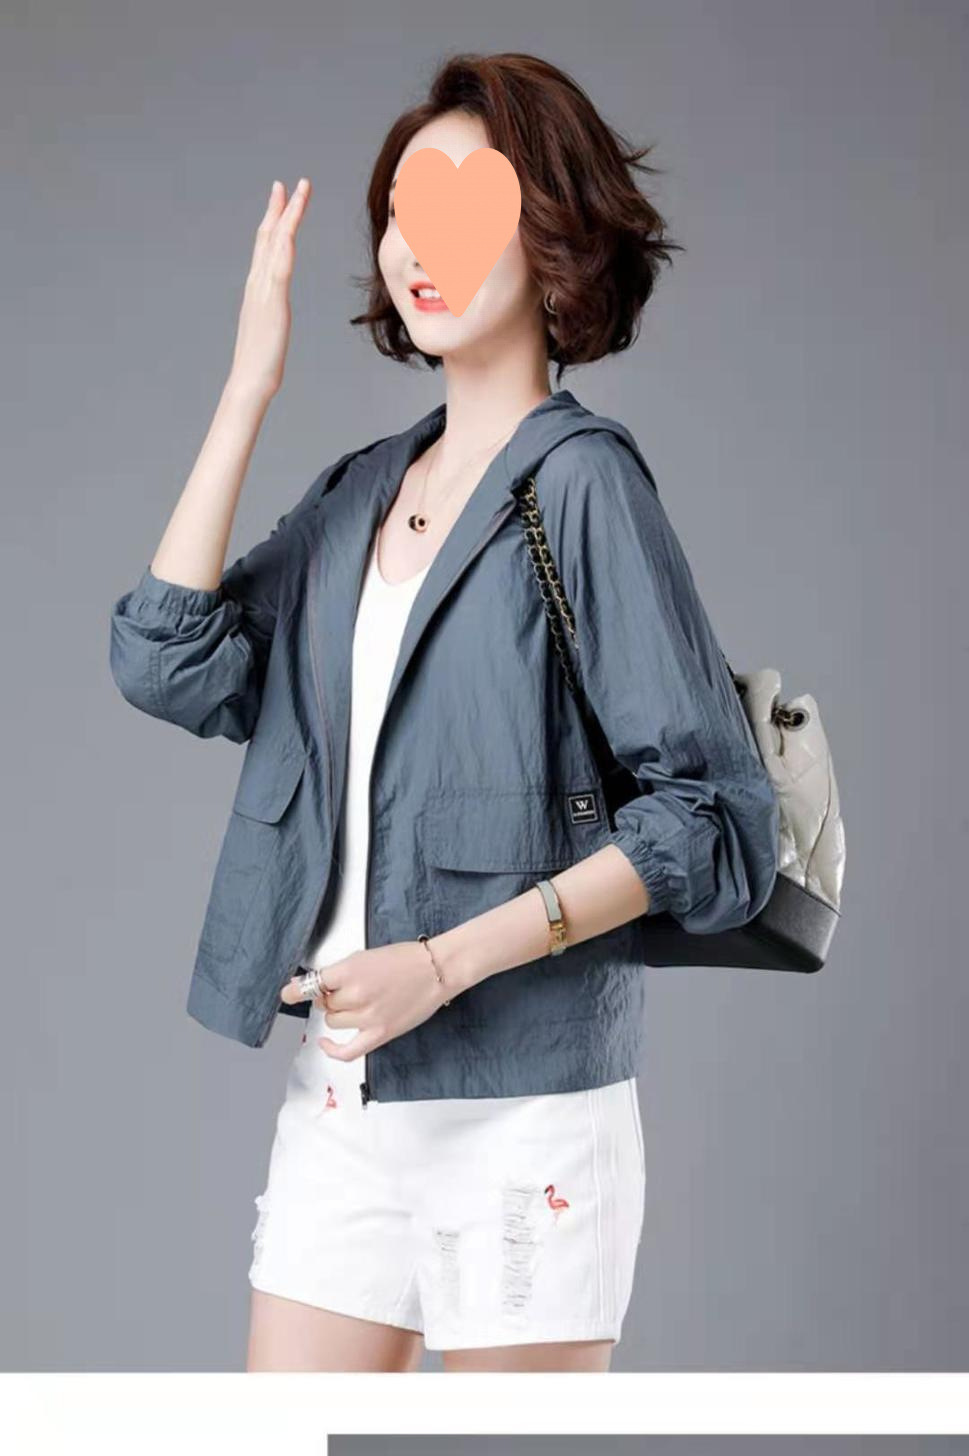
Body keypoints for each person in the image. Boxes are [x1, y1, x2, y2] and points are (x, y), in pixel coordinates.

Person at [109, 51, 778, 1373]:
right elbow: (166, 660)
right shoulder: (361, 491)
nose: (421, 247)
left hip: (525, 1111)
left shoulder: (581, 485)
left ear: (552, 240)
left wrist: (443, 964)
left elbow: (711, 822)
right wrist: (248, 390)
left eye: (468, 211)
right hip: (345, 1096)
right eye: (405, 212)